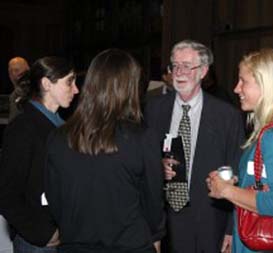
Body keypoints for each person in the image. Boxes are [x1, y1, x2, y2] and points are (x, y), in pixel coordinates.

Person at [45, 48, 165, 253]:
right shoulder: (142, 137)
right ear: (129, 87)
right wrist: (155, 236)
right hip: (130, 245)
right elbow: (153, 201)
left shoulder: (58, 137)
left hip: (76, 243)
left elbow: (54, 198)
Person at [206, 48, 273, 253]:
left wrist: (227, 190)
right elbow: (266, 186)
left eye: (243, 81)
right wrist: (235, 186)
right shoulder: (270, 131)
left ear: (266, 86)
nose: (236, 88)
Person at [145, 39, 245, 253]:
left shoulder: (227, 116)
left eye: (187, 66)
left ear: (203, 71)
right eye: (175, 66)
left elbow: (237, 171)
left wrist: (231, 229)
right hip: (165, 219)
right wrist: (157, 166)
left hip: (210, 219)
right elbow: (142, 160)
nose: (179, 72)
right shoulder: (153, 110)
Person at [0, 56, 79, 252]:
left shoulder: (62, 126)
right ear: (46, 84)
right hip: (38, 243)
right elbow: (7, 193)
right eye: (69, 82)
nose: (76, 89)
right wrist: (40, 233)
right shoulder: (23, 127)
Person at [7, 57, 30, 121]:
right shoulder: (14, 94)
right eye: (10, 71)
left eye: (17, 70)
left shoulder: (33, 92)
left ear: (27, 70)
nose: (13, 74)